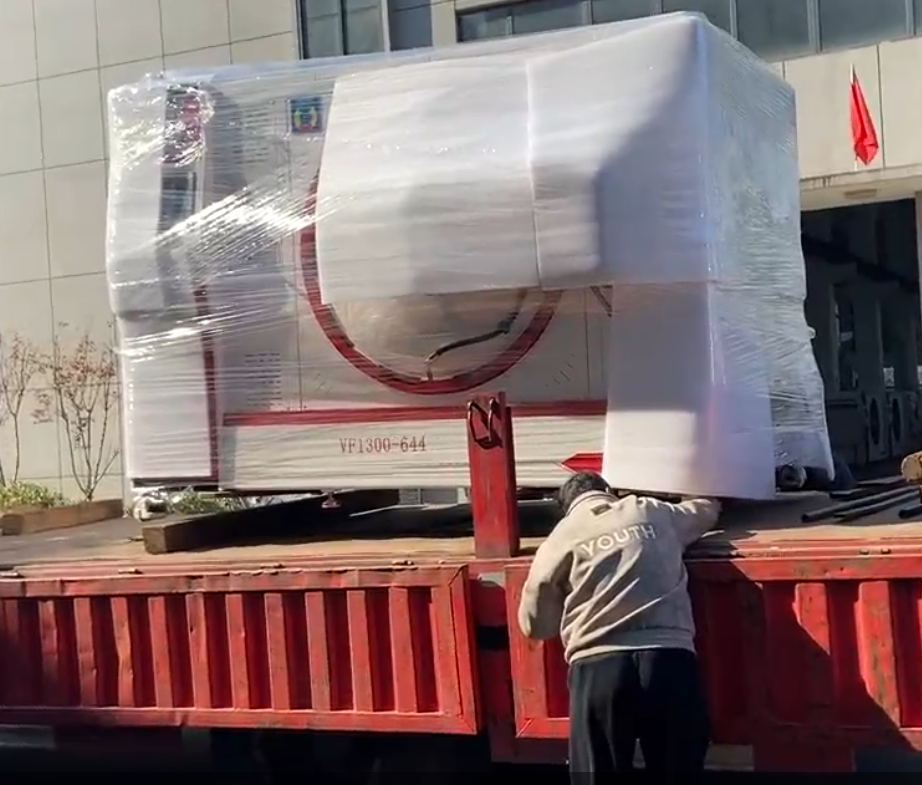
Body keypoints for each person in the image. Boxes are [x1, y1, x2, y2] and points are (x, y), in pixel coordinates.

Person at [518, 471, 722, 779]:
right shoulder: (649, 511)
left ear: (567, 506)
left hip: (599, 669)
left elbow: (535, 625)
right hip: (669, 660)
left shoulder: (560, 537)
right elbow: (704, 511)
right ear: (608, 490)